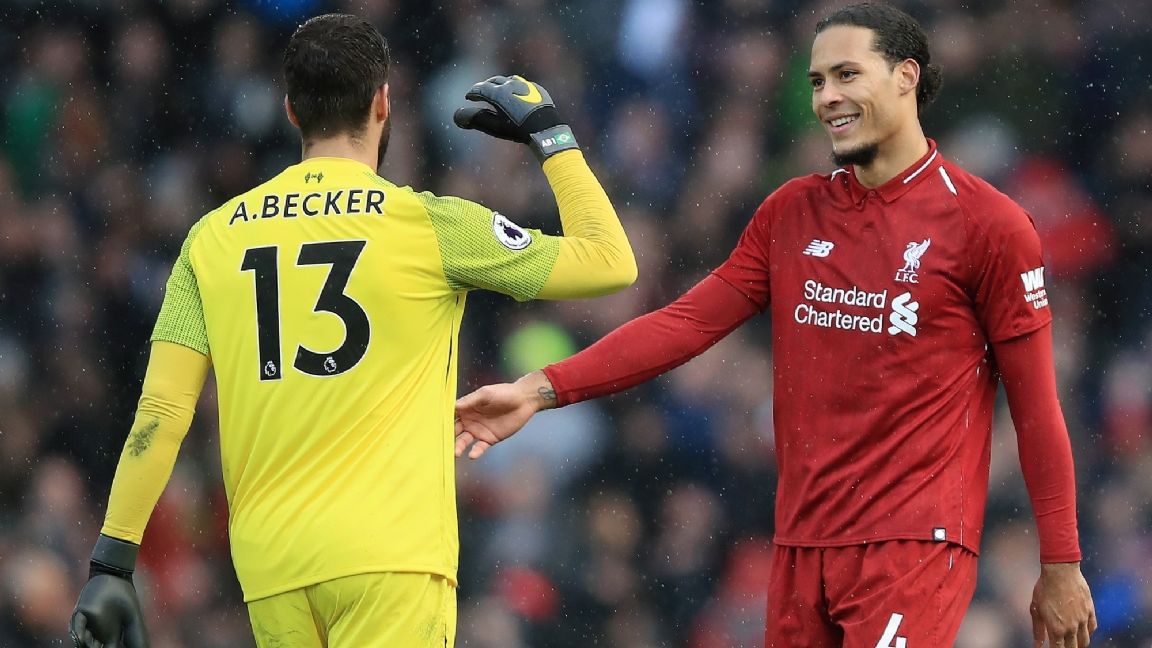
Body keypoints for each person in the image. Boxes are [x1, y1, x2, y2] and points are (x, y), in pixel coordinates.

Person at [453, 3, 1097, 647]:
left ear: (906, 76)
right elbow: (685, 323)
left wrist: (1062, 563)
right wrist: (538, 389)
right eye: (817, 81)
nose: (827, 97)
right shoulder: (792, 212)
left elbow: (1037, 409)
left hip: (912, 547)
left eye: (847, 74)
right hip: (800, 545)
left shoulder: (989, 226)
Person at [69, 13, 636, 648]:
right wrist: (550, 134)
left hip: (273, 566)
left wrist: (112, 562)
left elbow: (160, 414)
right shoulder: (428, 224)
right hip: (390, 556)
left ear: (291, 110)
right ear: (383, 103)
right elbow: (610, 261)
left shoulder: (211, 240)